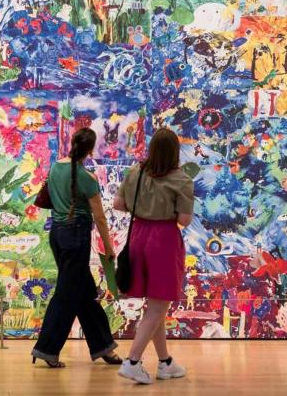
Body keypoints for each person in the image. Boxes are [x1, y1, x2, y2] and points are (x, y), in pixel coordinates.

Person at [31, 128, 122, 368]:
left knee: (84, 293)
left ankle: (104, 347)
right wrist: (110, 248)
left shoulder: (55, 167)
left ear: (72, 143)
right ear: (90, 150)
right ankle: (46, 349)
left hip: (58, 236)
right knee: (67, 294)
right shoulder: (87, 178)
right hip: (76, 237)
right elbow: (100, 219)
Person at [113, 128, 194, 384]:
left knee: (155, 306)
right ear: (175, 152)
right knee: (158, 304)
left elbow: (118, 204)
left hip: (137, 236)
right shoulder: (181, 179)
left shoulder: (135, 172)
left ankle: (165, 362)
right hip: (163, 241)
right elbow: (184, 220)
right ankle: (133, 362)